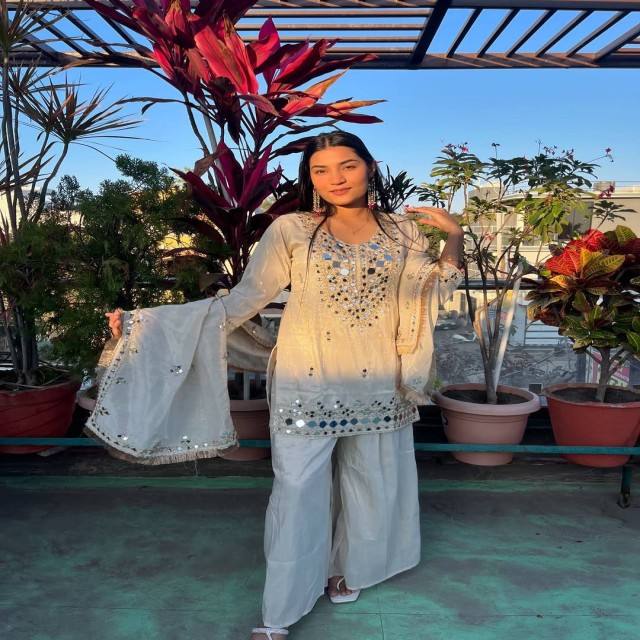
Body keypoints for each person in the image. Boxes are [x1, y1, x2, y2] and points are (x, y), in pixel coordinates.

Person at [103, 131, 464, 640]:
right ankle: (281, 610)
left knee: (373, 481)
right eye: (321, 170)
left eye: (347, 165)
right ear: (309, 178)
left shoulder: (403, 232)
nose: (336, 178)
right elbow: (244, 299)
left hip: (381, 379)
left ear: (369, 167)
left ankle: (351, 569)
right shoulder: (292, 230)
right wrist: (149, 324)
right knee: (297, 490)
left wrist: (454, 234)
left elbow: (432, 290)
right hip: (307, 379)